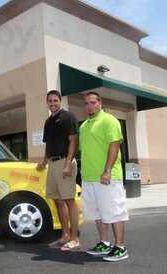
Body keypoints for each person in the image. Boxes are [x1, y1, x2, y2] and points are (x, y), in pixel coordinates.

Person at [79, 92, 129, 262]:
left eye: (92, 102)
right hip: (89, 178)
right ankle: (104, 243)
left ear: (100, 103)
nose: (89, 106)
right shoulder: (84, 125)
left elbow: (114, 145)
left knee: (115, 212)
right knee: (98, 213)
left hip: (107, 177)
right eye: (86, 103)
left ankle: (120, 247)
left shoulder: (109, 120)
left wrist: (107, 170)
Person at [37, 90, 80, 251]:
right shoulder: (48, 122)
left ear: (60, 101)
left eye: (55, 100)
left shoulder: (68, 117)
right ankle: (65, 235)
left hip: (64, 162)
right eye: (50, 101)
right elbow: (48, 145)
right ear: (47, 102)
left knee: (69, 200)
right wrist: (43, 162)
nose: (53, 103)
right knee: (57, 200)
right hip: (52, 165)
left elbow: (73, 140)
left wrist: (68, 163)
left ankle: (75, 238)